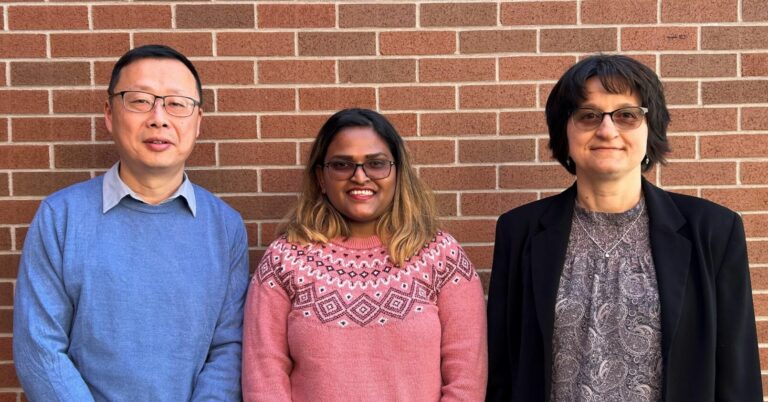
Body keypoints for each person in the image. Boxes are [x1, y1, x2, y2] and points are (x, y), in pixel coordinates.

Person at [486, 55, 762, 401]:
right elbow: (502, 369)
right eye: (588, 115)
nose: (607, 130)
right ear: (565, 131)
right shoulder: (520, 232)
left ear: (651, 129)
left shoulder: (712, 231)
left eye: (626, 115)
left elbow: (738, 371)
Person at [13, 45, 248, 401]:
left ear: (197, 122)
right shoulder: (60, 217)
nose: (158, 118)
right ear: (109, 113)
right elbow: (39, 347)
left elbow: (228, 348)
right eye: (139, 100)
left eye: (177, 103)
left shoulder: (225, 227)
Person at [242, 108, 487, 401]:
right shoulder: (284, 260)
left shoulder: (442, 257)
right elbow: (264, 375)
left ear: (397, 173)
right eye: (342, 164)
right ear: (321, 177)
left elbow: (466, 380)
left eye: (376, 164)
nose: (360, 177)